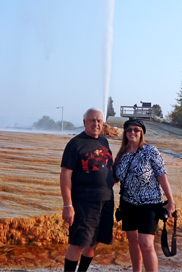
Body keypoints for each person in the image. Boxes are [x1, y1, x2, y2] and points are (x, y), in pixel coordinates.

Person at [114, 118, 175, 272]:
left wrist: (171, 201)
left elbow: (162, 176)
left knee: (146, 243)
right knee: (133, 241)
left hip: (150, 203)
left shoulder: (150, 151)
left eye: (136, 129)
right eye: (129, 130)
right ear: (125, 133)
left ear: (142, 133)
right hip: (127, 203)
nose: (132, 132)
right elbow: (113, 178)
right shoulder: (122, 154)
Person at [60, 108, 114, 272]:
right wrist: (68, 205)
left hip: (106, 201)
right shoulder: (75, 144)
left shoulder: (104, 141)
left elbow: (109, 168)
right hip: (84, 202)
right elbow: (65, 174)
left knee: (94, 241)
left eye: (99, 121)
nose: (96, 124)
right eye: (92, 120)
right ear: (84, 122)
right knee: (78, 243)